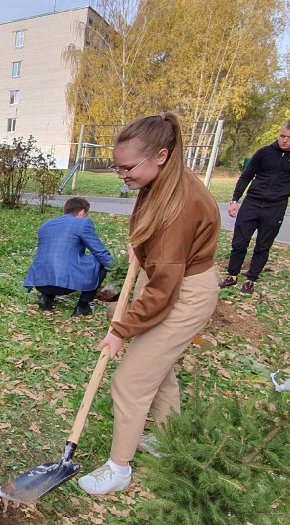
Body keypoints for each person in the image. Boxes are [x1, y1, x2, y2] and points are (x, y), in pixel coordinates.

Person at [77, 113, 221, 496]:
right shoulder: (161, 182)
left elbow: (163, 290)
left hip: (184, 294)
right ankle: (170, 440)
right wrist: (142, 248)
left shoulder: (183, 203)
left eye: (128, 168)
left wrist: (121, 331)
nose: (121, 175)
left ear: (161, 156)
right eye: (117, 166)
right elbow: (159, 256)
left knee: (129, 382)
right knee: (158, 369)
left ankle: (118, 468)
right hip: (165, 281)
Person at [219, 121, 290, 295]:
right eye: (282, 136)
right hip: (251, 204)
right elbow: (246, 176)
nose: (284, 140)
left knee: (262, 247)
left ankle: (250, 280)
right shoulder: (264, 153)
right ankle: (232, 275)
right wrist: (235, 200)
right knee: (239, 243)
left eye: (289, 138)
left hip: (275, 208)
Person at [23, 196, 115, 317]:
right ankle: (83, 306)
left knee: (53, 257)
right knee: (99, 260)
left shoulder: (46, 225)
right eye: (86, 213)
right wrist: (118, 271)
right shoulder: (83, 223)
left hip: (40, 283)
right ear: (82, 212)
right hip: (65, 286)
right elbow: (100, 252)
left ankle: (46, 298)